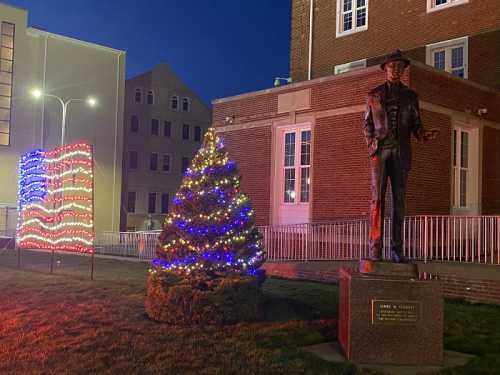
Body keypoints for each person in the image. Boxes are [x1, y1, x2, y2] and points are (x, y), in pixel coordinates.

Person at [364, 50, 437, 263]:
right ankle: (375, 249)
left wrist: (424, 135)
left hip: (401, 152)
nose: (396, 70)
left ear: (403, 70)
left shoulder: (411, 96)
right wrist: (371, 143)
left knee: (399, 203)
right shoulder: (373, 95)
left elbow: (416, 124)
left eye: (400, 67)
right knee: (377, 200)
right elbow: (367, 123)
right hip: (380, 152)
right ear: (385, 69)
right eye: (392, 66)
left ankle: (397, 250)